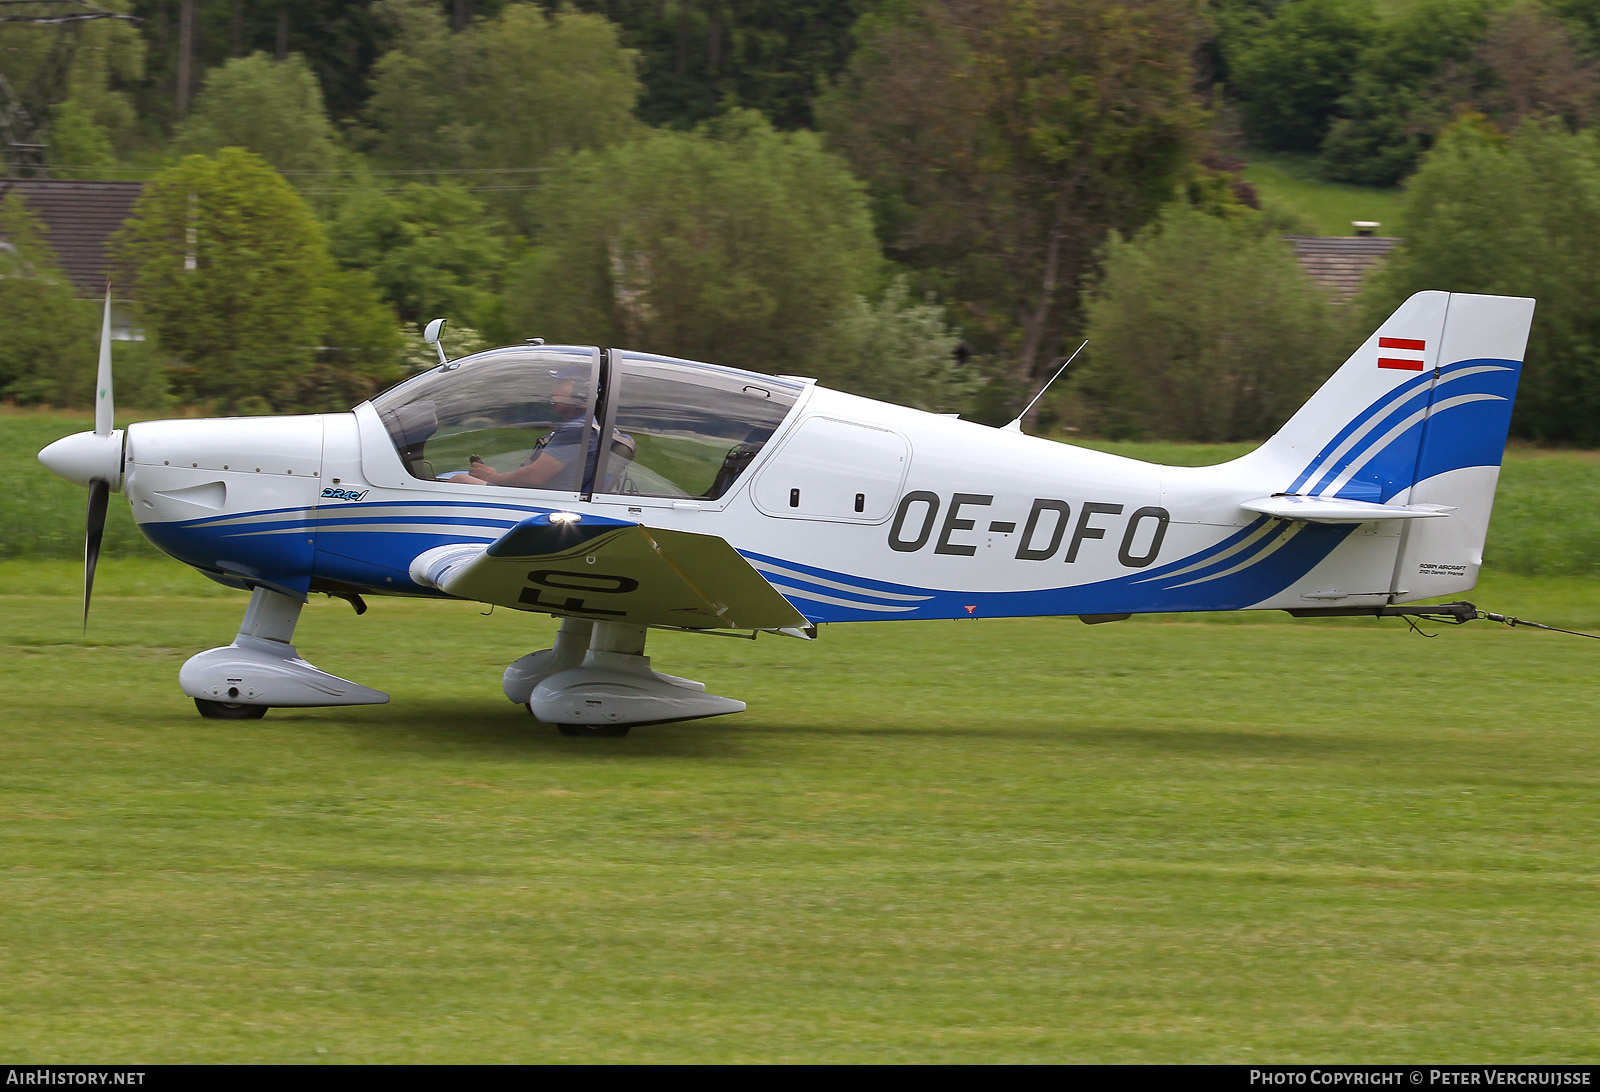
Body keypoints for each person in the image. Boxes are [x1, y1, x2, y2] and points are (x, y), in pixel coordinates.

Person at [448, 364, 597, 490]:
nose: (553, 392)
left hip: (539, 506)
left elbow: (533, 477)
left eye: (561, 384)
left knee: (459, 481)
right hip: (544, 499)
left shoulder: (577, 430)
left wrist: (493, 477)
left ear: (582, 391)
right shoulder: (588, 426)